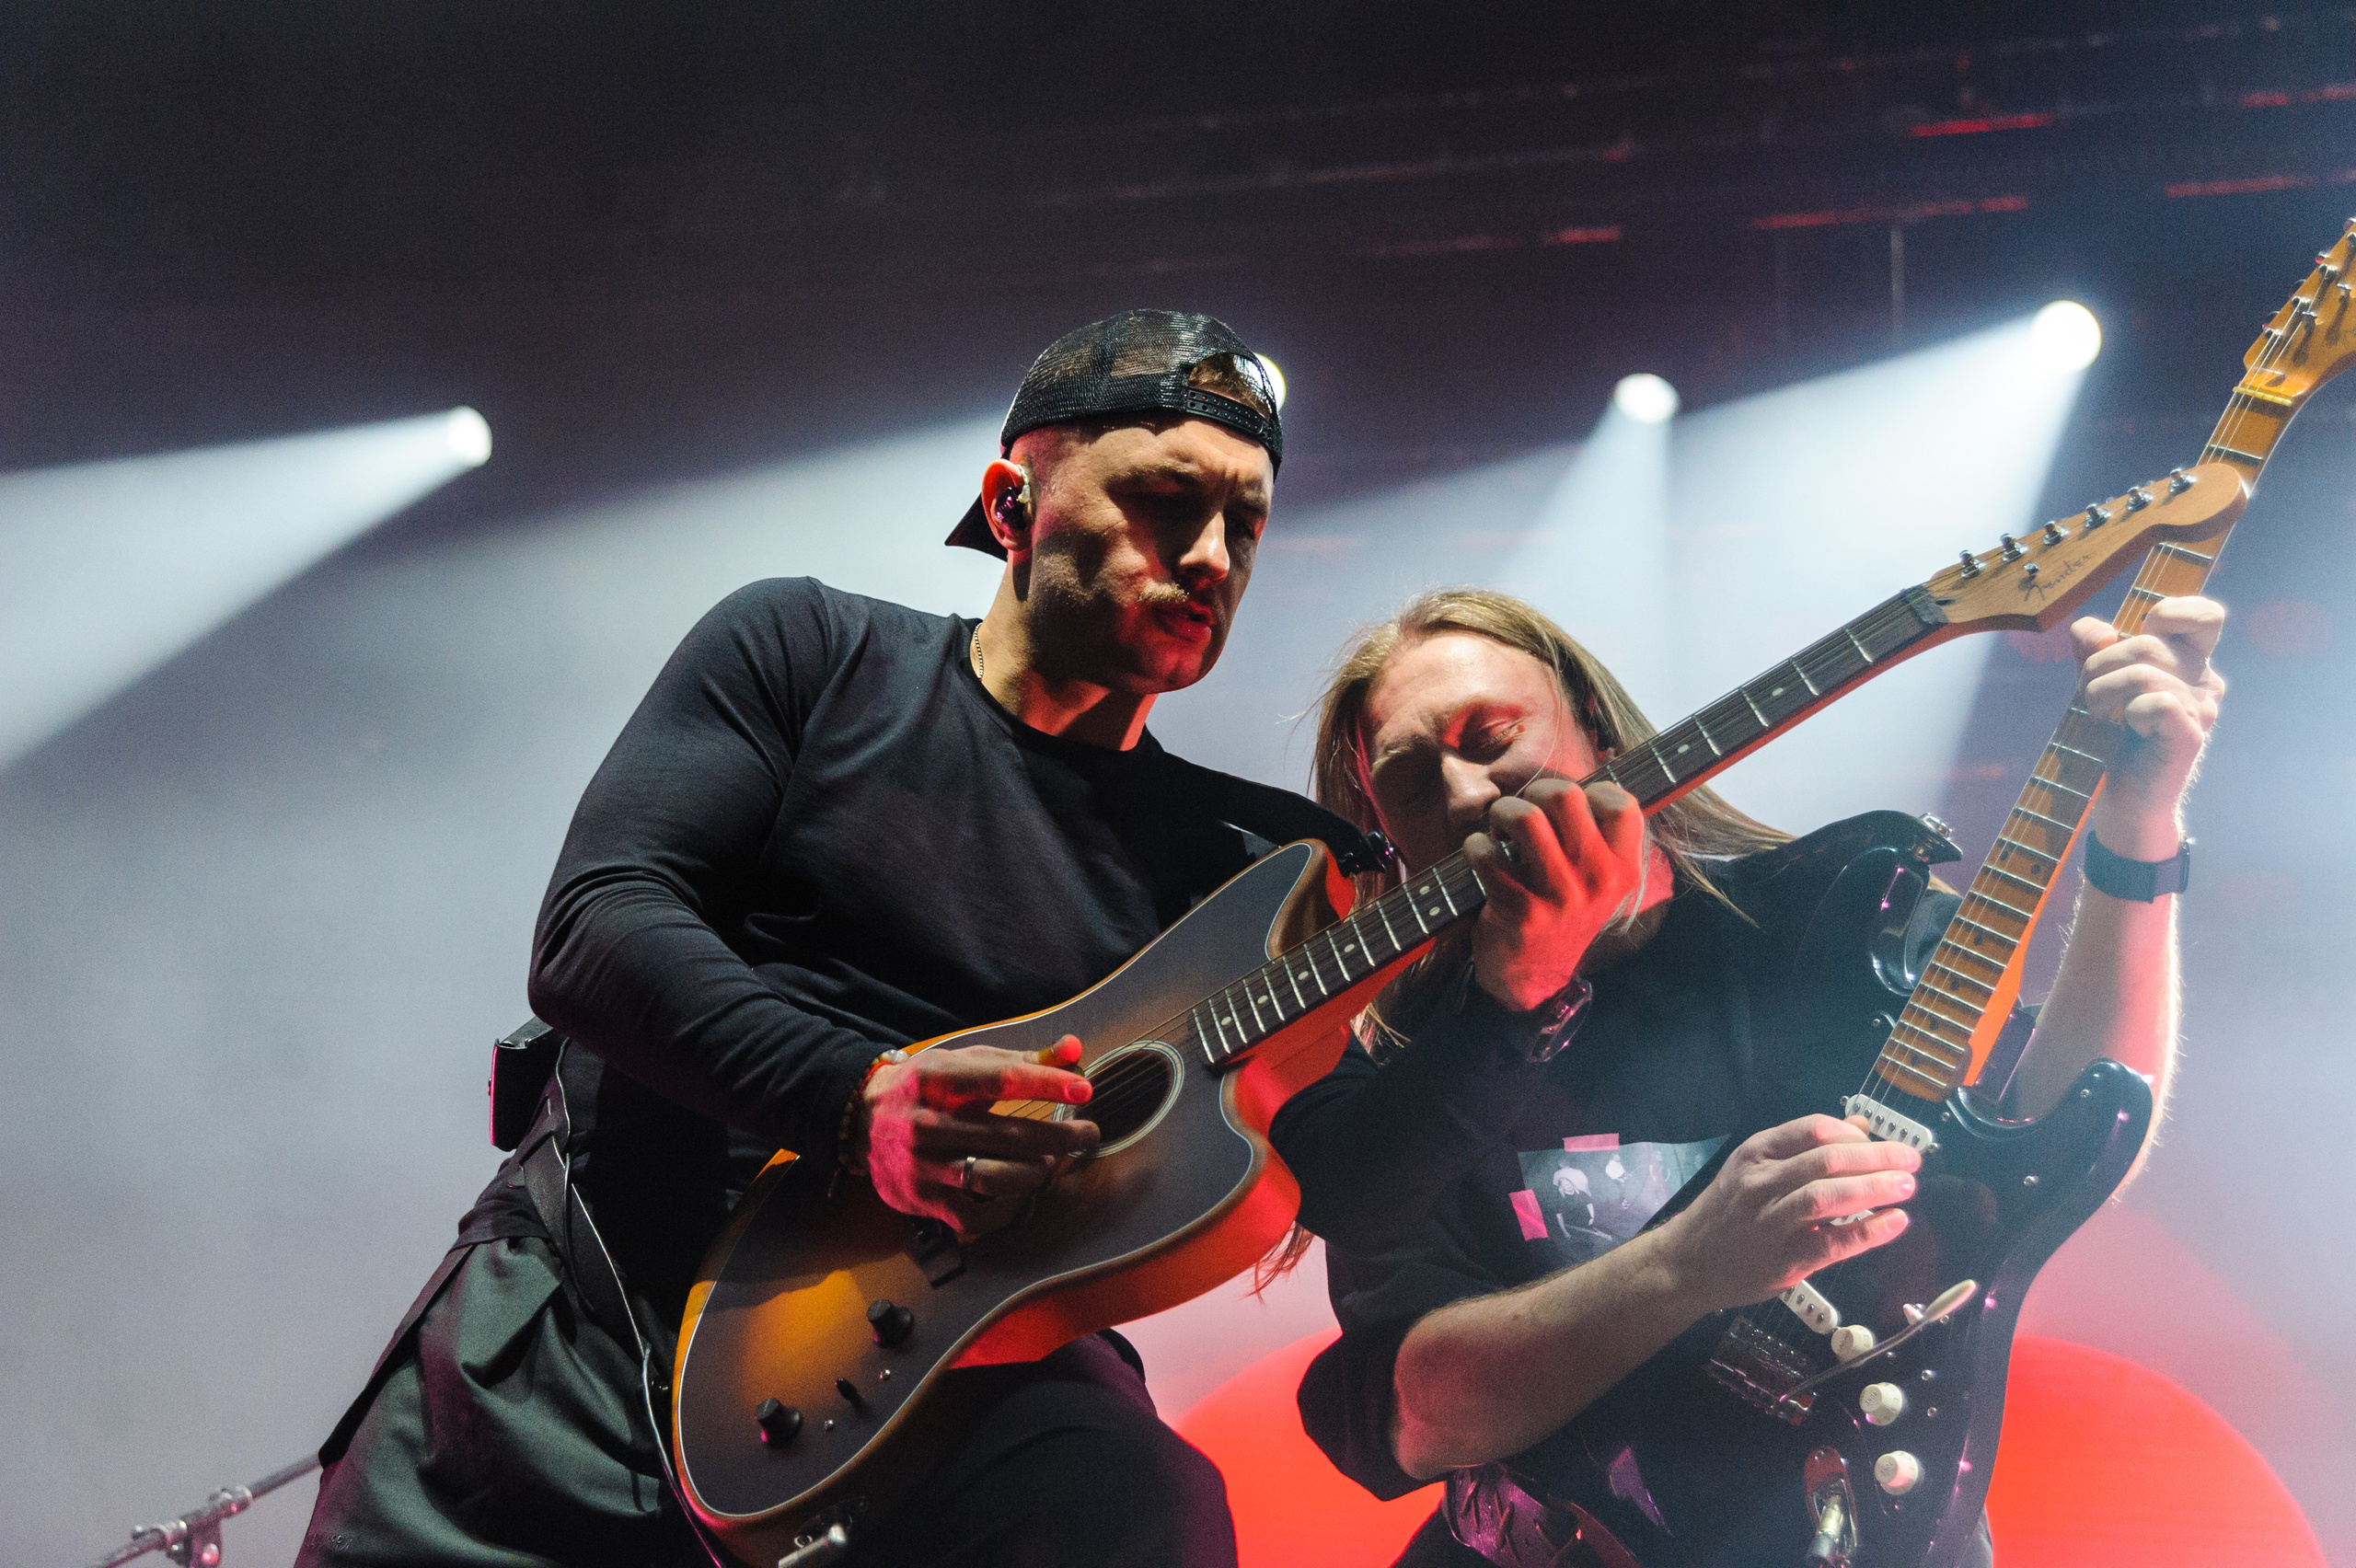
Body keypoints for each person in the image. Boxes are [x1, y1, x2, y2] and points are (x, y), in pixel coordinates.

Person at [296, 310, 1311, 1568]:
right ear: (1012, 506)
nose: (1210, 555)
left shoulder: (1239, 866)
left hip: (938, 1406)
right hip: (574, 1358)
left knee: (1139, 1502)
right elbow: (595, 928)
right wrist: (857, 1097)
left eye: (1245, 522)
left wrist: (1514, 995)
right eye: (1164, 502)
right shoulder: (808, 652)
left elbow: (1360, 1172)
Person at [1266, 586, 2223, 1567]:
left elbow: (2050, 1129)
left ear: (1594, 723)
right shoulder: (1393, 1080)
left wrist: (2137, 828)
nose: (1466, 794)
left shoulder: (1833, 910)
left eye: (1492, 737)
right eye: (1411, 784)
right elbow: (1417, 1415)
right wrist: (1690, 1262)